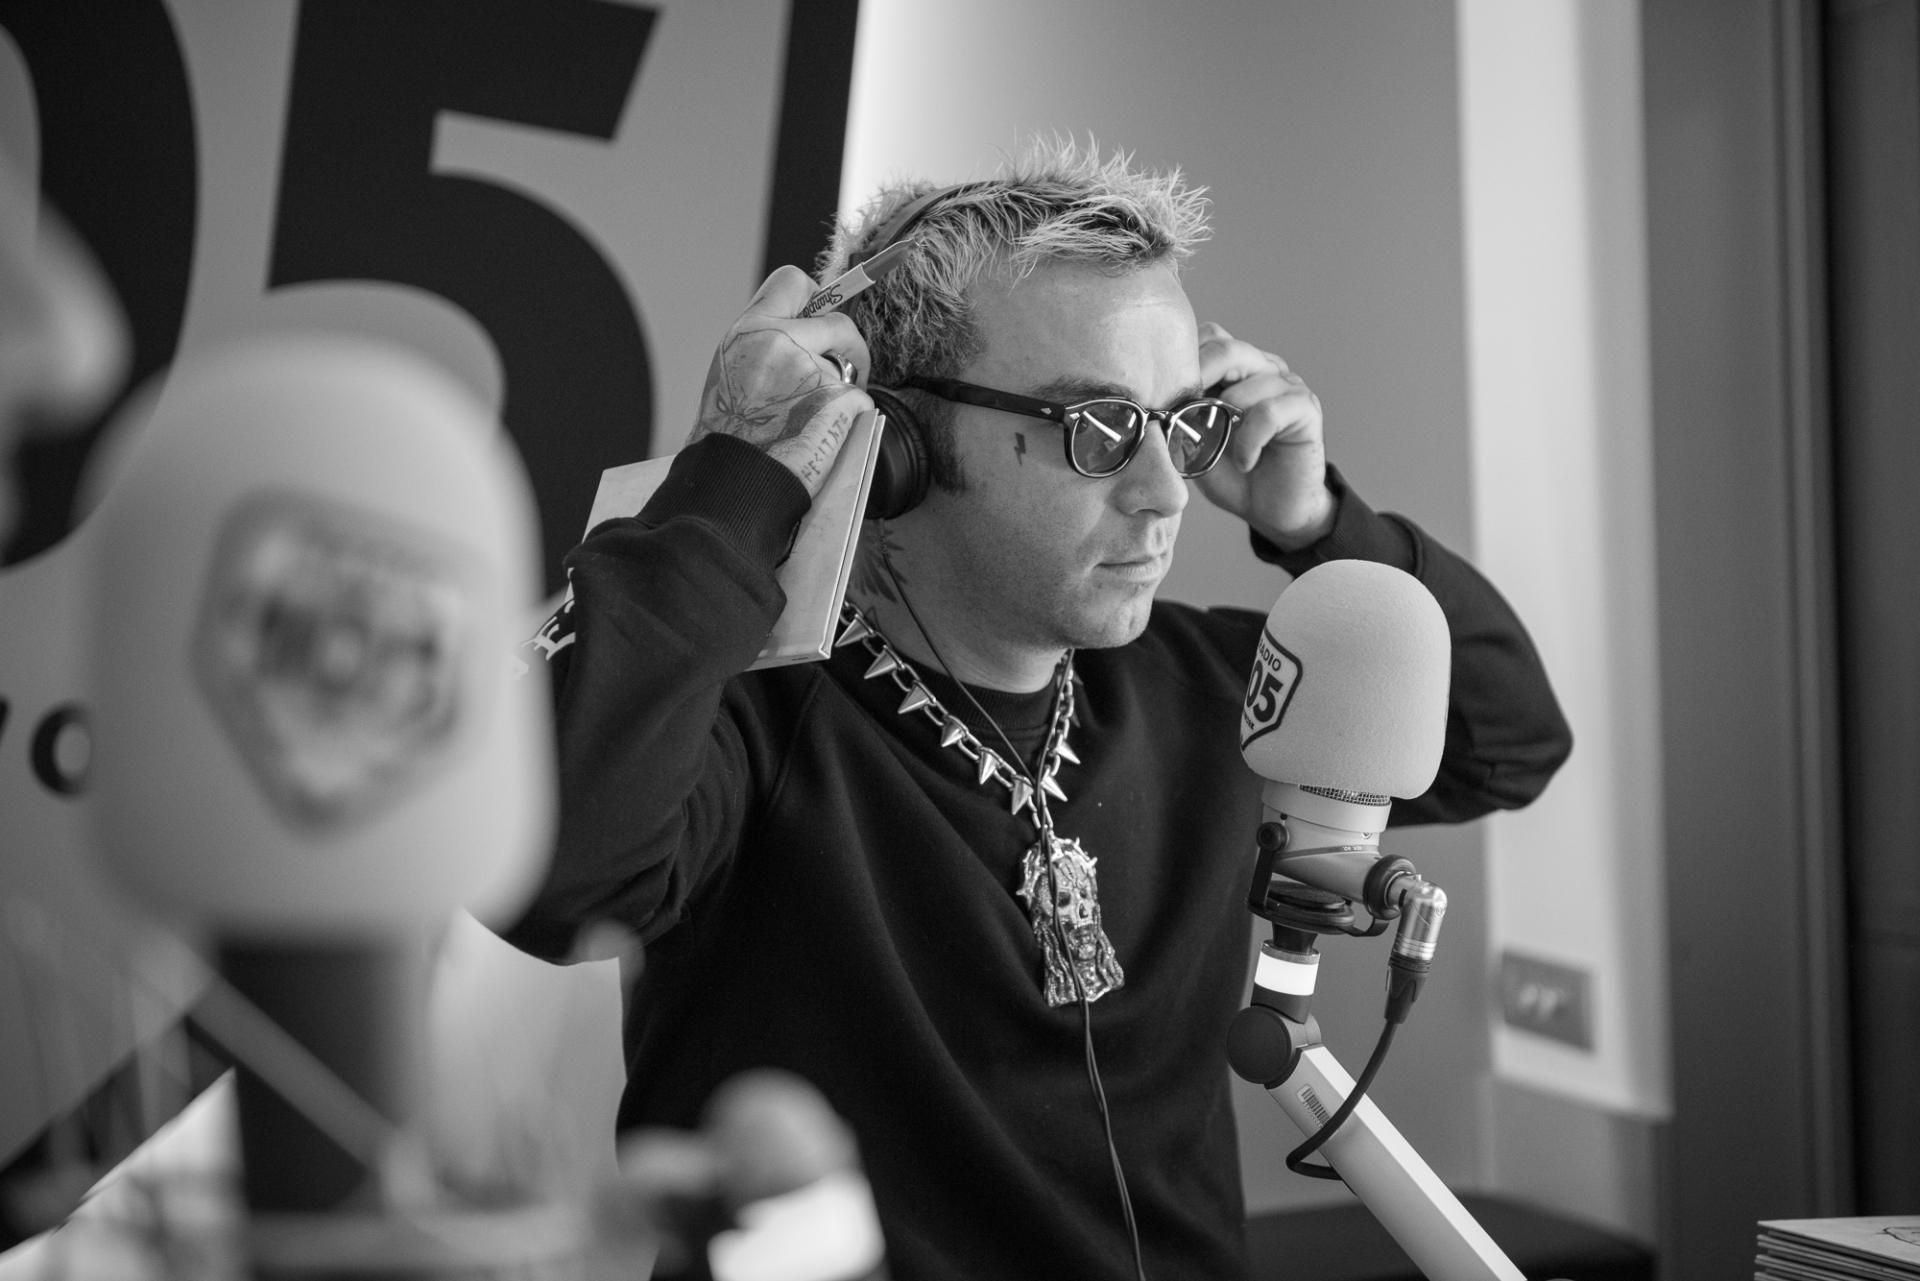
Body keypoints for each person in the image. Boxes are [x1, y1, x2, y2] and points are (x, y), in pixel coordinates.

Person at [503, 137, 1572, 1280]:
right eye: (1098, 429)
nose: (1165, 493)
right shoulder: (739, 716)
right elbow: (554, 879)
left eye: (1182, 425)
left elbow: (1503, 741)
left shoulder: (1214, 692)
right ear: (898, 440)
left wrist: (1315, 522)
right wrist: (739, 472)